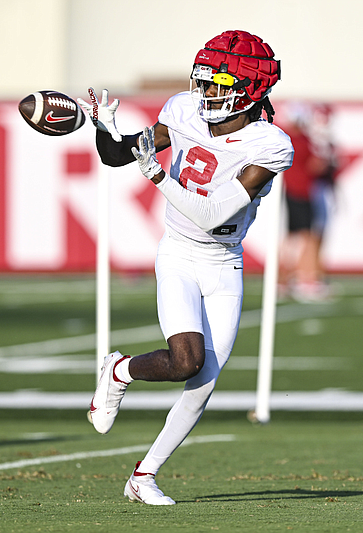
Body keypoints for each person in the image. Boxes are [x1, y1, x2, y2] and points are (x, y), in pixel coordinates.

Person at [76, 30, 293, 505]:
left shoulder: (270, 145)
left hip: (224, 262)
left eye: (220, 84)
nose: (208, 93)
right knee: (186, 361)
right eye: (205, 82)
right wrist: (102, 126)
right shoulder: (182, 111)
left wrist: (156, 176)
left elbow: (215, 213)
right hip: (178, 253)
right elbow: (117, 156)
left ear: (252, 90)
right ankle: (118, 372)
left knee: (203, 383)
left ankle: (143, 476)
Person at [279, 103, 335, 302]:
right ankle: (307, 279)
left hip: (290, 191)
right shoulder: (301, 139)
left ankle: (284, 279)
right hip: (302, 191)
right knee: (308, 236)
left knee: (291, 237)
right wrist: (328, 162)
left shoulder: (285, 138)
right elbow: (314, 165)